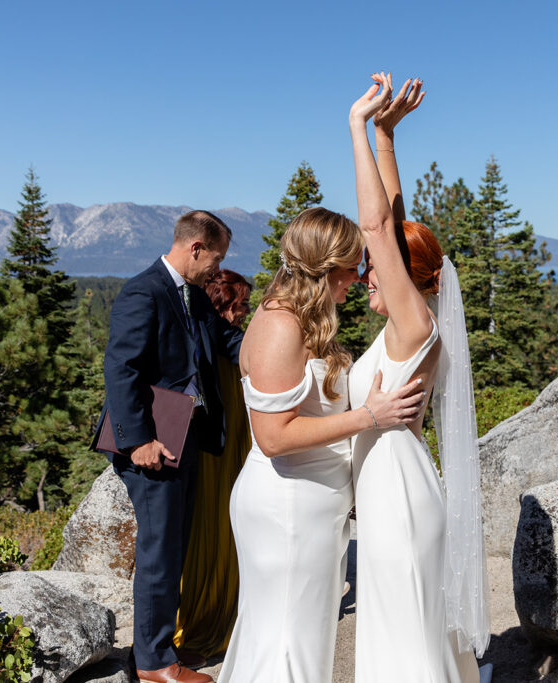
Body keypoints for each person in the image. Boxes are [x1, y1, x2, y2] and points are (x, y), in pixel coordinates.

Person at [218, 204, 426, 683]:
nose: (359, 277)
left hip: (311, 507)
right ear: (326, 269)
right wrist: (369, 416)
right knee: (285, 644)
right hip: (285, 509)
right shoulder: (280, 326)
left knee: (299, 640)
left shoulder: (304, 320)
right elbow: (273, 437)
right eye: (353, 267)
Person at [347, 73, 490, 682]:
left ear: (409, 278)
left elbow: (380, 230)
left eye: (372, 270)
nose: (366, 276)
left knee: (404, 640)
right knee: (402, 632)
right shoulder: (410, 318)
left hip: (399, 497)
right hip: (389, 490)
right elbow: (393, 223)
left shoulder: (414, 324)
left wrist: (356, 126)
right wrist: (386, 136)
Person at [96, 210, 242, 683]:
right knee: (159, 552)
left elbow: (229, 342)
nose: (217, 269)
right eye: (215, 258)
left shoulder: (195, 296)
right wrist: (137, 441)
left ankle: (161, 649)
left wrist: (288, 341)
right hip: (153, 442)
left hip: (187, 437)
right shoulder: (144, 291)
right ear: (195, 247)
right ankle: (155, 664)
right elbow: (122, 369)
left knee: (173, 549)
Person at [174, 269, 253, 661]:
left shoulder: (233, 344)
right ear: (222, 304)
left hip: (236, 448)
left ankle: (226, 608)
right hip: (212, 455)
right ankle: (203, 617)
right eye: (240, 305)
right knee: (209, 528)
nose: (244, 313)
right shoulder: (212, 347)